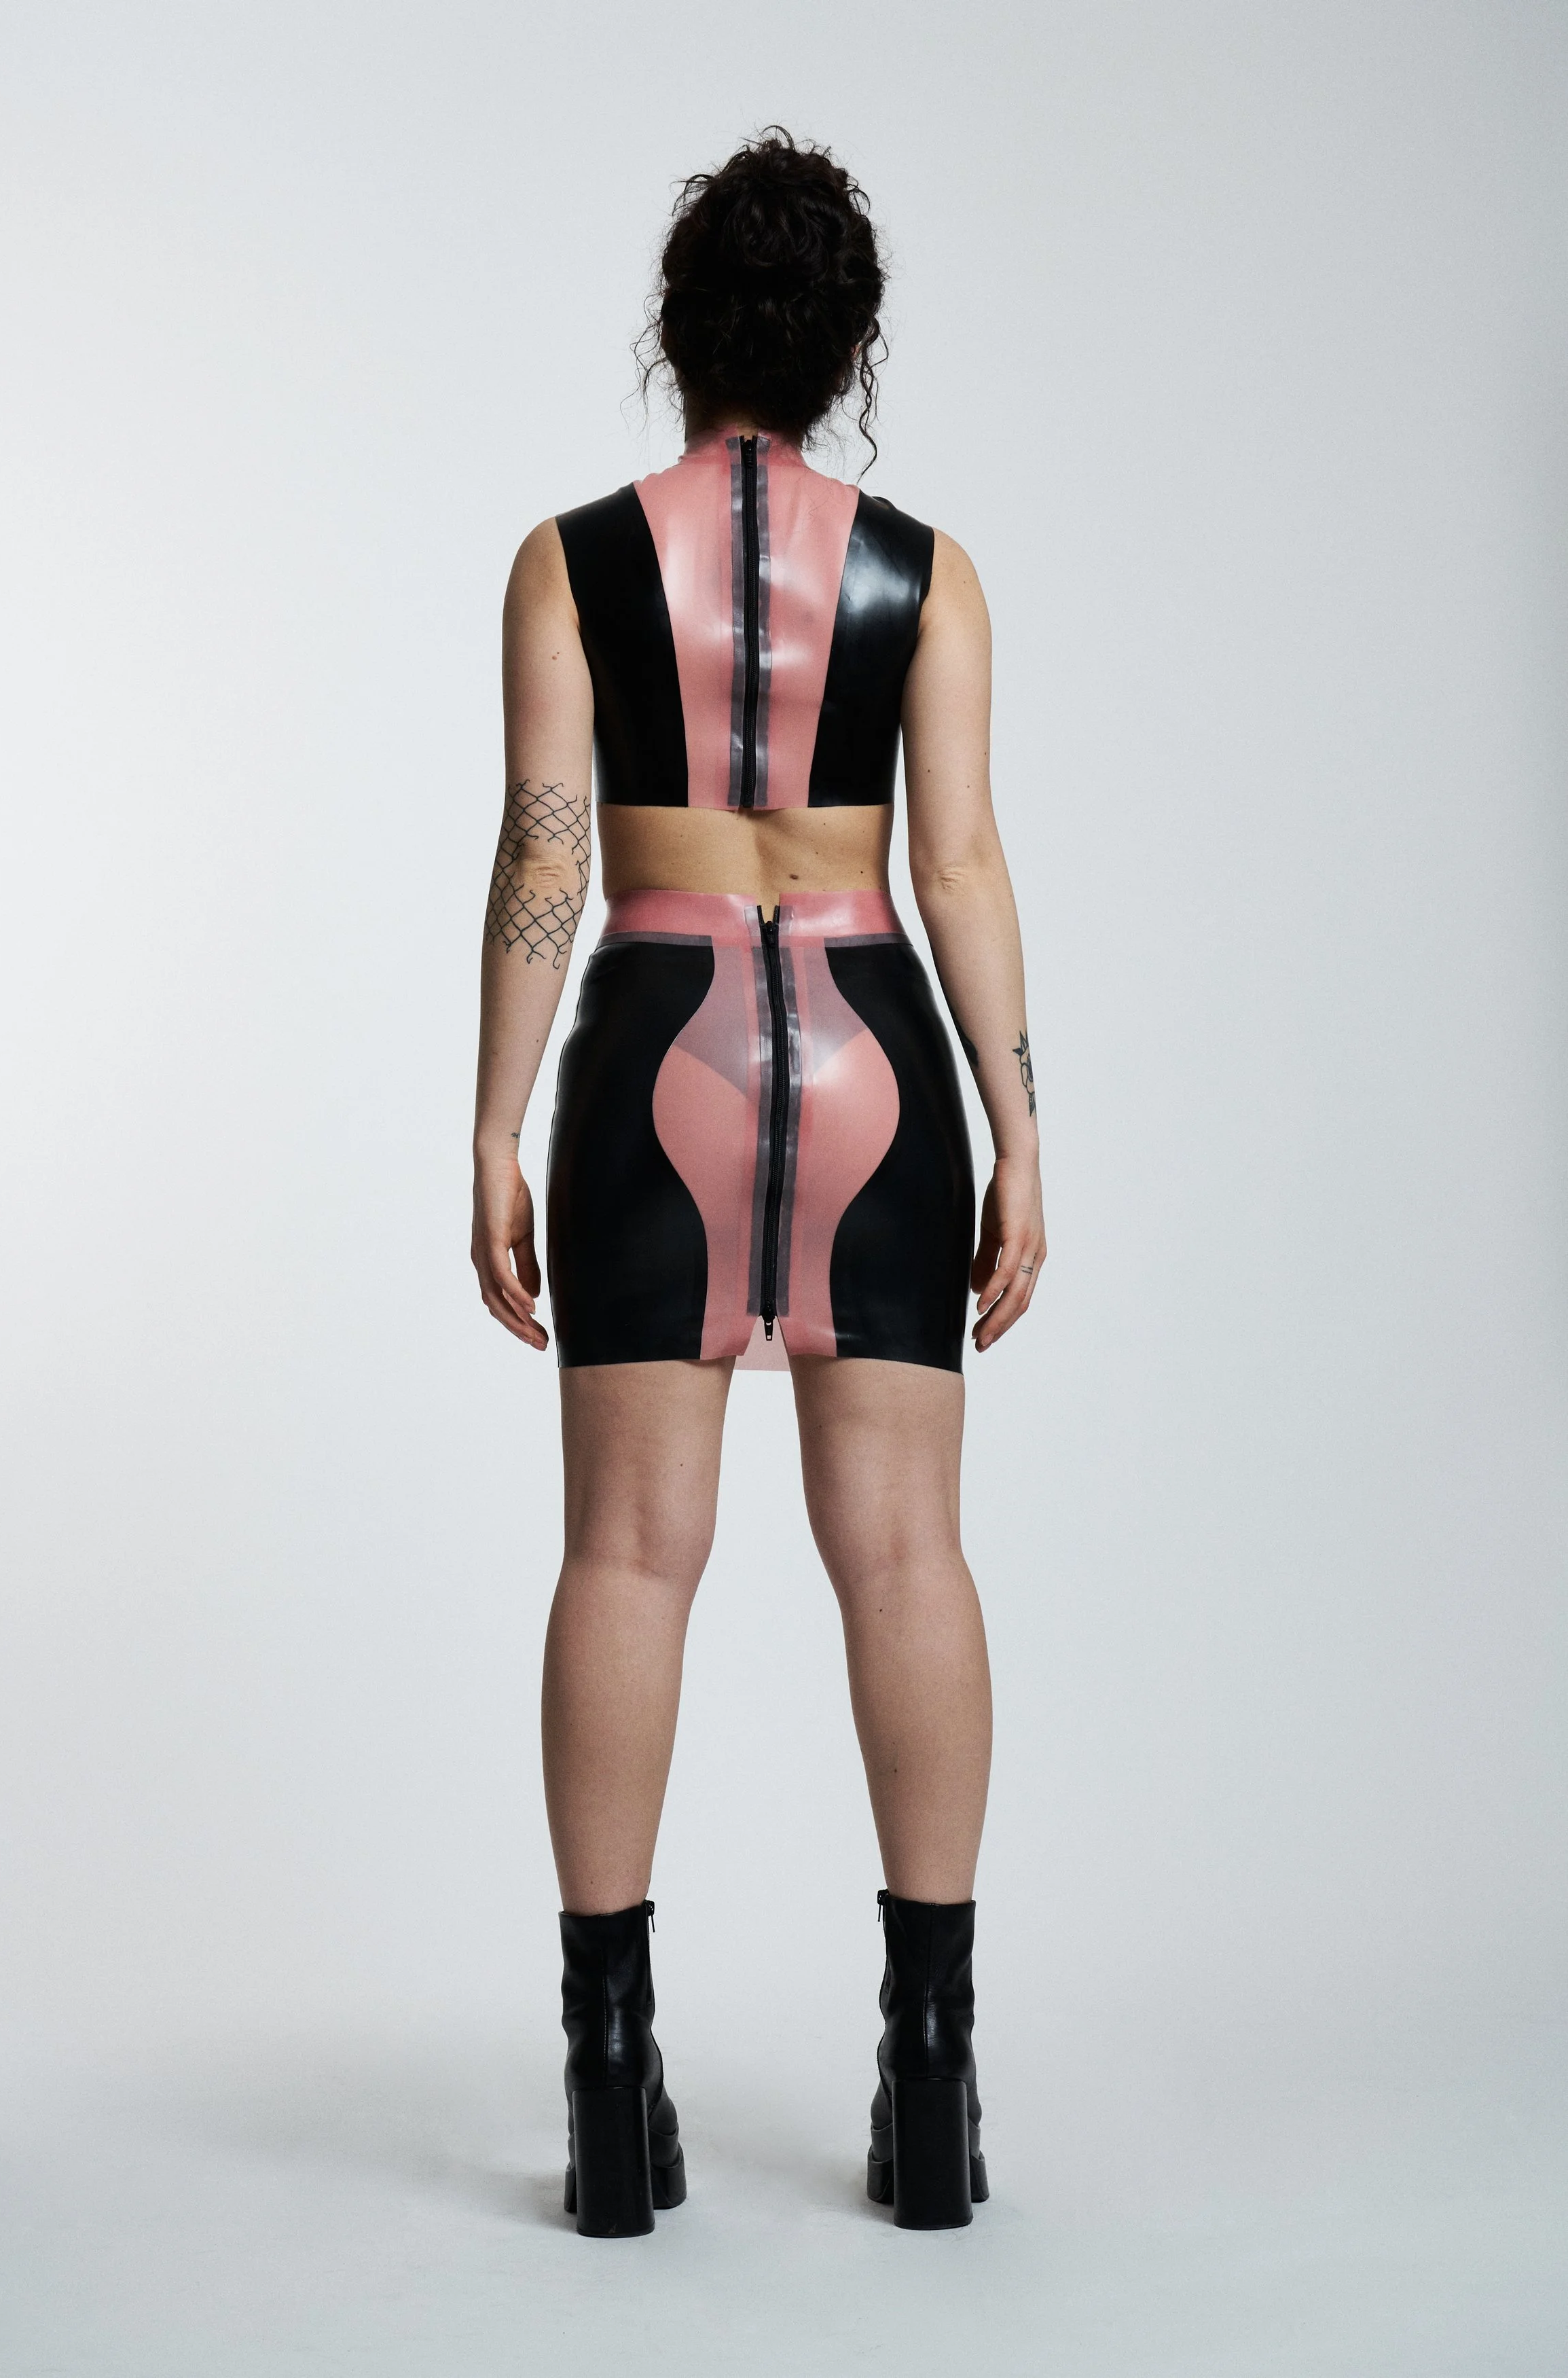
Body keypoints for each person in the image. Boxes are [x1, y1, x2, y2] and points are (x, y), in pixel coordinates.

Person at [471, 129, 1046, 2236]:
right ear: (845, 348)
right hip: (875, 1038)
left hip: (654, 1037)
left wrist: (491, 1121)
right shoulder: (926, 572)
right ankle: (932, 2073)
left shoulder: (568, 562)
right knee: (903, 1554)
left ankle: (607, 2077)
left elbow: (548, 851)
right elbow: (954, 859)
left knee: (630, 1556)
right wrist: (1018, 1124)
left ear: (677, 323)